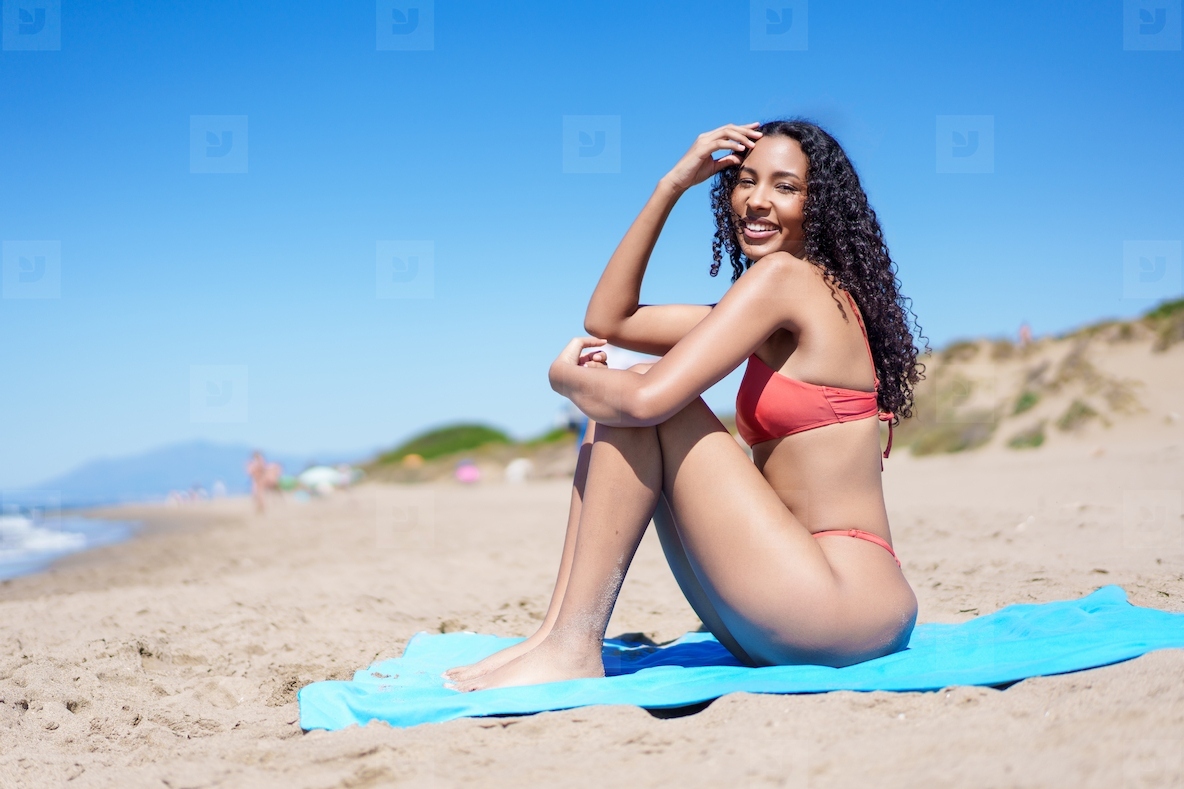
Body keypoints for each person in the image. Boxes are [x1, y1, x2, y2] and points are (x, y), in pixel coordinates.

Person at [445, 120, 924, 691]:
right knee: (627, 395)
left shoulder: (786, 280)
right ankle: (557, 635)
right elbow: (610, 321)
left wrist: (565, 381)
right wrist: (672, 184)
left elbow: (648, 398)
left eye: (785, 186)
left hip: (843, 601)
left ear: (820, 205)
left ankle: (573, 643)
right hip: (799, 596)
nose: (757, 200)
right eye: (745, 181)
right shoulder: (780, 298)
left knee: (642, 392)